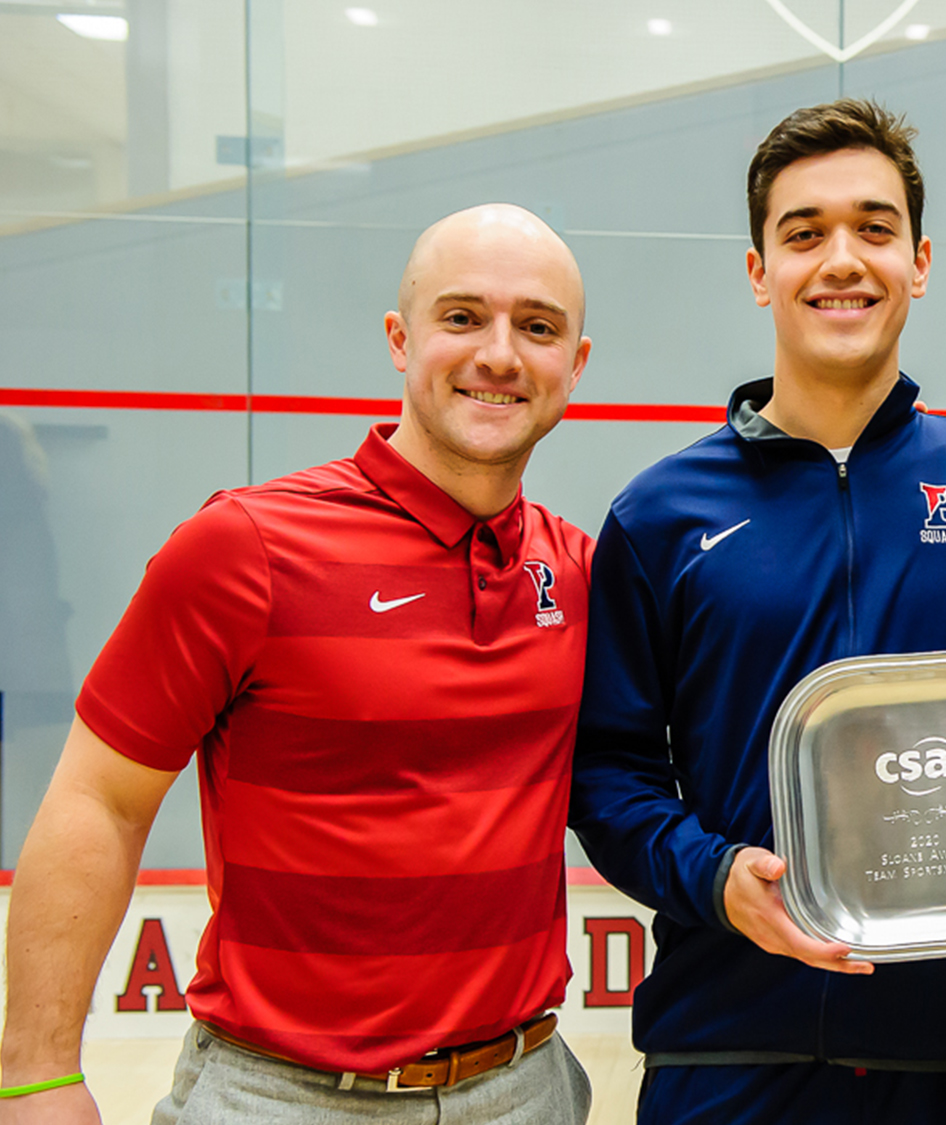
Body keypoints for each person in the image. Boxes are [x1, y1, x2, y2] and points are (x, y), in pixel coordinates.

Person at [0, 203, 596, 1124]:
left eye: (538, 327)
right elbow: (99, 801)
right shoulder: (243, 548)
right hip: (284, 1098)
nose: (501, 354)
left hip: (528, 1086)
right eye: (463, 317)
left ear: (576, 365)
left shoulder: (576, 567)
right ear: (401, 340)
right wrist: (36, 1076)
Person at [569, 99, 946, 1125]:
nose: (840, 259)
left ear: (920, 259)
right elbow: (609, 773)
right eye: (803, 233)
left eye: (872, 227)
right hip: (725, 1052)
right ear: (759, 269)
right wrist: (716, 877)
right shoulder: (660, 513)